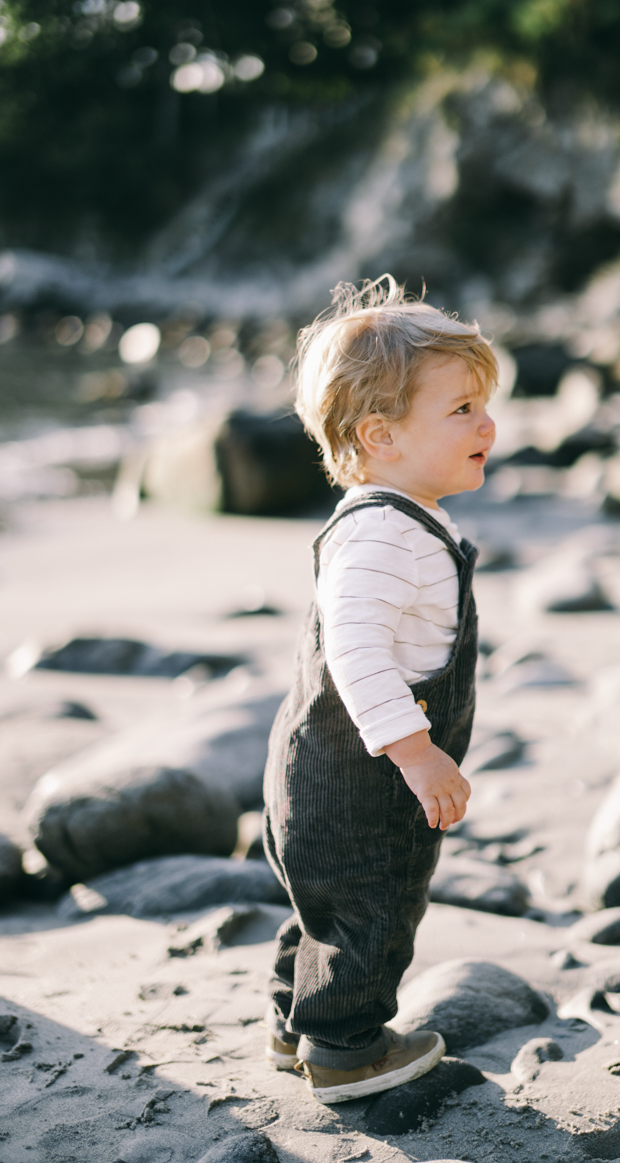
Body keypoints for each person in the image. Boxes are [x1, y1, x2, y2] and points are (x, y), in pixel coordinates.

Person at [262, 275, 497, 1104]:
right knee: (371, 907)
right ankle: (348, 1050)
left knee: (322, 901)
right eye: (461, 409)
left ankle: (297, 1024)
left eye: (482, 405)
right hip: (363, 780)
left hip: (317, 769)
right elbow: (357, 654)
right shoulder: (386, 538)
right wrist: (417, 753)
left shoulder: (393, 518)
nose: (488, 425)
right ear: (380, 434)